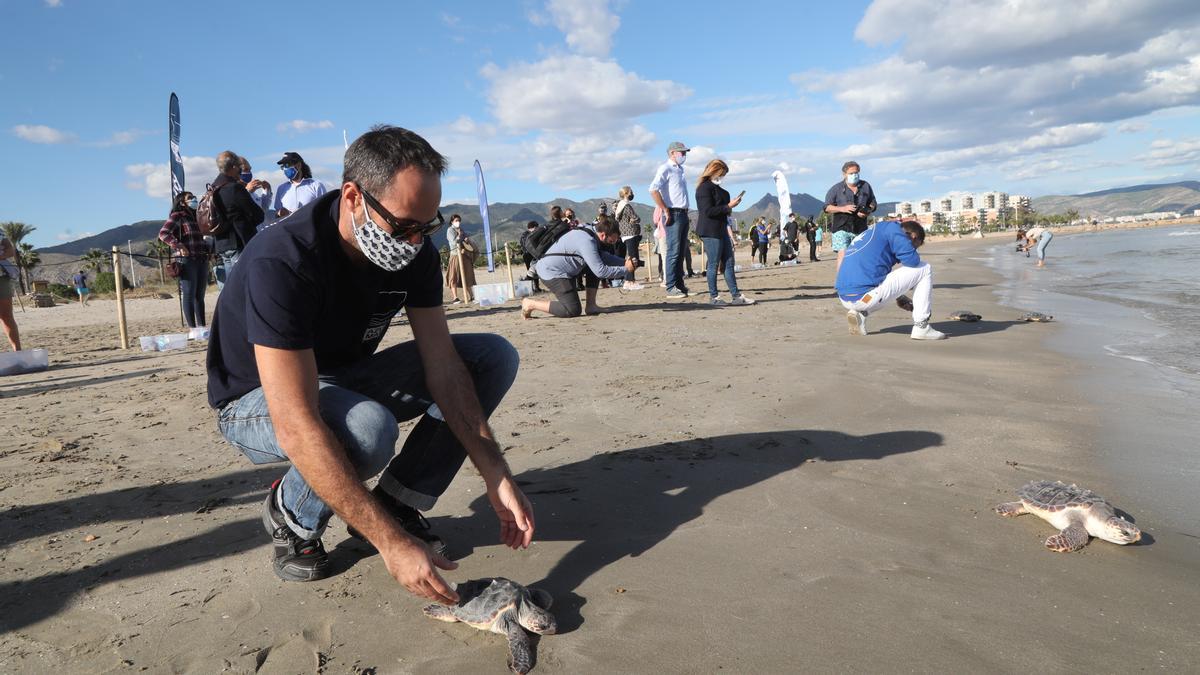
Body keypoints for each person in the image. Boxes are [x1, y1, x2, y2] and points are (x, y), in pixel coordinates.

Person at [206, 125, 532, 592]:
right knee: (366, 430)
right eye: (403, 227)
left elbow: (443, 366)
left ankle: (398, 500)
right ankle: (292, 515)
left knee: (489, 357)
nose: (416, 242)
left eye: (428, 226)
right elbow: (294, 422)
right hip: (253, 401)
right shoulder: (284, 260)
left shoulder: (413, 248)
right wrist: (391, 545)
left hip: (340, 378)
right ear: (354, 197)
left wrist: (496, 474)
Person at [835, 220, 946, 340]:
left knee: (874, 290)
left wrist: (899, 296)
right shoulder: (894, 229)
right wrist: (909, 249)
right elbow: (912, 261)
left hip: (846, 298)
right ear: (913, 237)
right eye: (915, 247)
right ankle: (922, 326)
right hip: (865, 297)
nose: (913, 249)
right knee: (925, 268)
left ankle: (861, 314)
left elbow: (879, 276)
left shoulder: (877, 231)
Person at [520, 215, 635, 319]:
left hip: (564, 270)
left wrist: (624, 262)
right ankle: (530, 304)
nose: (613, 243)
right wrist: (626, 270)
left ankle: (591, 306)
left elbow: (602, 257)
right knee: (572, 310)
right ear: (603, 234)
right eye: (612, 240)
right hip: (552, 272)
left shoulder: (589, 230)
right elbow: (601, 271)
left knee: (593, 265)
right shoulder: (587, 241)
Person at [694, 159, 755, 306]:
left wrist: (730, 205)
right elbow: (707, 211)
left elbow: (724, 212)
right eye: (721, 174)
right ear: (714, 171)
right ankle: (713, 297)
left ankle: (736, 296)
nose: (722, 177)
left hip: (721, 230)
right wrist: (728, 206)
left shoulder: (722, 191)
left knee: (729, 263)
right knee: (713, 264)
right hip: (709, 231)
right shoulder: (703, 188)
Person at [211, 151, 266, 289]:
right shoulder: (234, 188)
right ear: (234, 167)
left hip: (221, 243)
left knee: (231, 284)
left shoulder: (213, 188)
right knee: (244, 283)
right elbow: (258, 214)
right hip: (239, 241)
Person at [159, 191, 211, 328]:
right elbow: (163, 233)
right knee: (189, 293)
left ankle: (202, 327)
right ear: (182, 202)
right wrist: (179, 245)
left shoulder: (197, 216)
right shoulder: (177, 216)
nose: (194, 199)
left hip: (202, 259)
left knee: (199, 296)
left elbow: (201, 238)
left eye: (194, 197)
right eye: (190, 198)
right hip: (186, 260)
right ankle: (192, 328)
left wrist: (209, 250)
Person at [649, 141, 692, 298]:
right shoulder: (665, 168)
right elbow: (653, 189)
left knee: (681, 251)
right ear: (672, 153)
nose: (684, 155)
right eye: (682, 152)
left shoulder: (680, 170)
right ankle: (671, 286)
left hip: (683, 212)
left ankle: (680, 285)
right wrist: (665, 209)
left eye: (685, 152)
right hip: (673, 213)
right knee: (673, 251)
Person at [824, 161, 877, 273]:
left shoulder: (865, 186)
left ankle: (857, 281)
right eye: (852, 173)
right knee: (843, 253)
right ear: (844, 174)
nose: (855, 175)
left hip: (860, 227)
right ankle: (841, 282)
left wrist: (868, 211)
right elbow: (826, 207)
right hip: (841, 226)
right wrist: (842, 209)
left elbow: (873, 203)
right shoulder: (836, 189)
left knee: (859, 255)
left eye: (857, 172)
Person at [273, 151, 328, 221]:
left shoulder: (316, 186)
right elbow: (277, 214)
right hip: (288, 230)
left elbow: (325, 210)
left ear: (298, 165)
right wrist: (279, 213)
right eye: (283, 166)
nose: (285, 169)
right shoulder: (281, 189)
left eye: (287, 165)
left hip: (309, 229)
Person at [613, 186, 645, 291]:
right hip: (630, 234)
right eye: (631, 192)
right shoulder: (626, 206)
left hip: (625, 234)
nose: (632, 193)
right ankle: (630, 281)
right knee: (633, 258)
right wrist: (636, 219)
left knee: (632, 257)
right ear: (626, 193)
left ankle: (629, 280)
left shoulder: (619, 206)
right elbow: (636, 217)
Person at [445, 215, 476, 304]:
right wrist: (459, 235)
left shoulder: (461, 229)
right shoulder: (450, 230)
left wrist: (466, 240)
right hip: (455, 255)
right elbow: (454, 242)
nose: (458, 222)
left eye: (459, 220)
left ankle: (471, 296)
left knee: (466, 275)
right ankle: (455, 297)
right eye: (456, 220)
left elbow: (466, 240)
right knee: (453, 276)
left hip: (464, 254)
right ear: (452, 221)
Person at [240, 157, 273, 231]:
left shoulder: (253, 193)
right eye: (245, 170)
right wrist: (247, 191)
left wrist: (267, 191)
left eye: (250, 169)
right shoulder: (234, 192)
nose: (249, 172)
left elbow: (263, 209)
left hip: (261, 234)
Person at [0, 235, 20, 351]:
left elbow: (10, 250)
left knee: (6, 315)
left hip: (2, 276)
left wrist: (1, 256)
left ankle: (17, 352)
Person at [519, 221, 541, 292]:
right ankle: (536, 288)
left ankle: (532, 288)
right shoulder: (533, 234)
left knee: (530, 271)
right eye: (537, 227)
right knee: (534, 271)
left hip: (526, 255)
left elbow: (522, 245)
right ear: (535, 227)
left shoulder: (523, 235)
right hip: (532, 255)